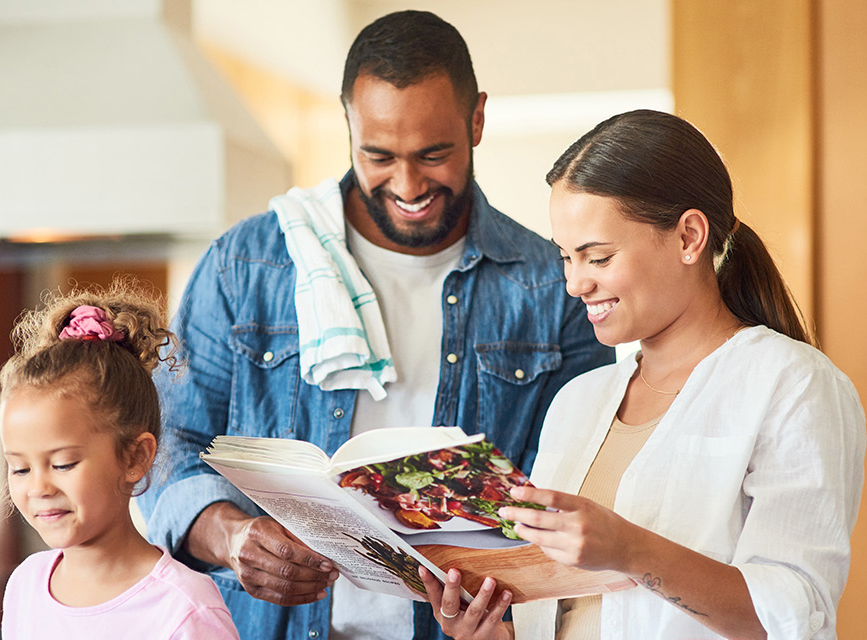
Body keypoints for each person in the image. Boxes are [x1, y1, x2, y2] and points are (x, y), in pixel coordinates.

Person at [139, 10, 616, 640]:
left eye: (434, 154)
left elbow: (580, 488)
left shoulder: (552, 286)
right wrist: (231, 535)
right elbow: (164, 450)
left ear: (477, 119)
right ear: (348, 126)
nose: (409, 184)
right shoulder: (245, 266)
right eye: (379, 155)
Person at [418, 110, 866, 640]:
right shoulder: (576, 403)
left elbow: (795, 614)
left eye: (599, 257)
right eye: (566, 258)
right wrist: (490, 633)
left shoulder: (791, 385)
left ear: (689, 237)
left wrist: (629, 548)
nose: (575, 285)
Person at [0, 285, 238, 639]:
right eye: (20, 468)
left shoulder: (184, 609)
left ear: (135, 457)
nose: (39, 488)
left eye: (63, 464)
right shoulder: (25, 584)